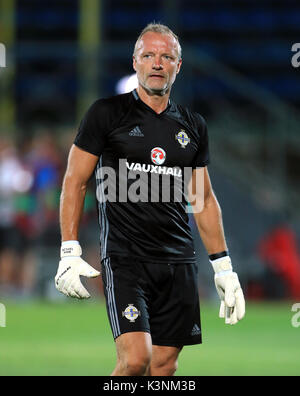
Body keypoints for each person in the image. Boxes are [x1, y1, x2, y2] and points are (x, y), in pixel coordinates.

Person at [55, 23, 245, 376]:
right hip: (126, 259)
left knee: (163, 365)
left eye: (166, 56)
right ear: (135, 62)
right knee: (135, 361)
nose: (157, 63)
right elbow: (74, 181)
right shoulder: (106, 114)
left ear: (178, 65)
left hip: (178, 262)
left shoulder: (193, 125)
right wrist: (69, 249)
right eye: (149, 56)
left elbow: (202, 197)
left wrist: (224, 268)